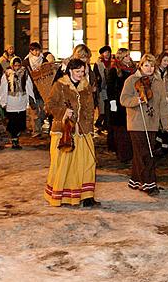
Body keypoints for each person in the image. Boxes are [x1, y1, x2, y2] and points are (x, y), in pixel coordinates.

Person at [44, 58, 100, 208]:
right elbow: (49, 106)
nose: (81, 74)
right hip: (64, 131)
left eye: (83, 71)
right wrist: (63, 111)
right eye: (77, 71)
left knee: (87, 163)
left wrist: (88, 125)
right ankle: (62, 195)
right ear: (69, 71)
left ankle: (87, 196)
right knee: (64, 164)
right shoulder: (60, 85)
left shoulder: (86, 86)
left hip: (83, 131)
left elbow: (90, 108)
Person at [120, 53, 168, 195]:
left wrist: (166, 123)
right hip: (136, 122)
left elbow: (163, 104)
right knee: (145, 153)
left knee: (142, 153)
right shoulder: (132, 80)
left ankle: (136, 180)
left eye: (152, 66)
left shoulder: (158, 83)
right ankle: (149, 183)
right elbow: (123, 99)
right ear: (141, 65)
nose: (149, 69)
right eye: (146, 65)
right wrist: (136, 101)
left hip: (152, 122)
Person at [106, 48, 135, 162]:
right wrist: (113, 102)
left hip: (130, 101)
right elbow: (110, 87)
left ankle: (130, 152)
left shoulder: (133, 69)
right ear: (121, 58)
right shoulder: (115, 70)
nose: (128, 58)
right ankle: (122, 153)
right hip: (119, 103)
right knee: (120, 129)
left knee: (130, 128)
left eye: (129, 55)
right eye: (126, 56)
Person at [0, 57, 35, 149]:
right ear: (12, 65)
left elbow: (28, 86)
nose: (17, 67)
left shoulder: (24, 73)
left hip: (21, 101)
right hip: (11, 101)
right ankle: (14, 139)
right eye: (15, 65)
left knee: (20, 122)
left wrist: (30, 99)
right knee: (12, 121)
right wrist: (3, 101)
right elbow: (3, 88)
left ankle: (16, 137)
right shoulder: (7, 74)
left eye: (18, 65)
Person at [24, 42, 53, 137]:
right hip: (31, 89)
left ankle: (39, 123)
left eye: (38, 50)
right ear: (31, 51)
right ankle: (36, 131)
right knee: (34, 110)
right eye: (35, 50)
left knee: (45, 110)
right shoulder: (26, 62)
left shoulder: (43, 60)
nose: (37, 52)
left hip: (43, 89)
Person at [92, 45, 112, 133]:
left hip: (109, 88)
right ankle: (99, 123)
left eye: (109, 52)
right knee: (103, 108)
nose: (107, 54)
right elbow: (96, 76)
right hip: (101, 89)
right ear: (102, 54)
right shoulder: (98, 64)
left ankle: (104, 125)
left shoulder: (112, 63)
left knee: (108, 107)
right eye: (106, 52)